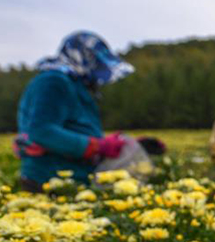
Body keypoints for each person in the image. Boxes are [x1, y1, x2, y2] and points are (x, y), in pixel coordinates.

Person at [15, 31, 135, 192]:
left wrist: (124, 144)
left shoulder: (74, 83)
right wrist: (98, 146)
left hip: (71, 177)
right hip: (49, 179)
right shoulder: (54, 81)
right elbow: (41, 131)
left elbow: (74, 126)